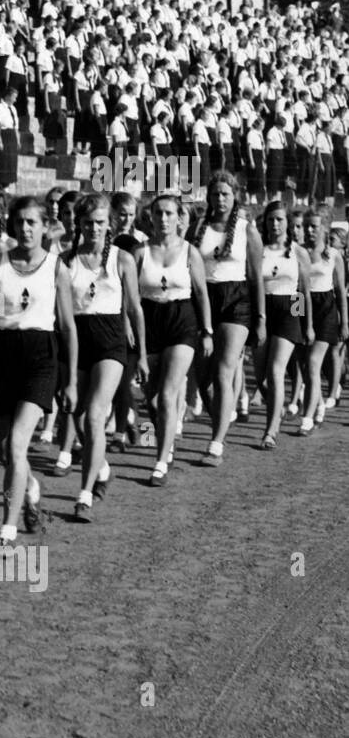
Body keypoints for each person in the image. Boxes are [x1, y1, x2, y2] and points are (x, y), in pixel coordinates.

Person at [0, 195, 79, 549]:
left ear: (43, 226)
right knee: (7, 449)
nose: (24, 228)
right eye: (19, 222)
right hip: (4, 354)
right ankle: (30, 488)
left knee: (19, 444)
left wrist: (72, 381)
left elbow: (67, 326)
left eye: (32, 222)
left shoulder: (56, 268)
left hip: (41, 356)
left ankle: (6, 530)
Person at [64, 193, 146, 521]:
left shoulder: (122, 259)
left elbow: (136, 308)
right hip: (77, 343)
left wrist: (140, 352)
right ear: (79, 224)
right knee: (78, 416)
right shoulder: (66, 260)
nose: (94, 228)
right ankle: (102, 468)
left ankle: (84, 495)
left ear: (109, 223)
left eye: (100, 222)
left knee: (96, 416)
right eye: (88, 223)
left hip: (111, 344)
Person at [135, 193, 213, 483]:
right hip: (150, 321)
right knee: (152, 401)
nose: (164, 219)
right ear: (151, 217)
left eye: (169, 213)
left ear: (179, 218)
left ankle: (160, 461)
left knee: (168, 393)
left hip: (182, 321)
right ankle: (162, 438)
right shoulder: (140, 252)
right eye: (159, 214)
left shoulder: (190, 251)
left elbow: (202, 293)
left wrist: (207, 331)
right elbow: (130, 299)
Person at [192, 173, 264, 467]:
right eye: (215, 194)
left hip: (237, 301)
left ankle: (216, 442)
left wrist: (260, 319)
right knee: (202, 377)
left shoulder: (248, 231)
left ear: (235, 196)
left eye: (225, 194)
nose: (220, 199)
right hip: (204, 298)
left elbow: (257, 278)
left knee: (224, 371)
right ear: (209, 197)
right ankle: (223, 414)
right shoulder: (198, 228)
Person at [254, 199, 312, 449]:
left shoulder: (299, 252)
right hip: (263, 311)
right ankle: (276, 406)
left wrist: (303, 323)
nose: (275, 224)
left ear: (287, 223)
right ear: (265, 223)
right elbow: (252, 284)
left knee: (276, 371)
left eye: (279, 219)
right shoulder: (258, 249)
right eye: (270, 219)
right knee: (261, 378)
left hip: (288, 311)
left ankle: (271, 431)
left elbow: (302, 292)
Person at [298, 206, 348, 432]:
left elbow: (340, 291)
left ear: (324, 228)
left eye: (314, 226)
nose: (309, 231)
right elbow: (296, 289)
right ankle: (317, 405)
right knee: (304, 363)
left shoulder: (333, 255)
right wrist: (295, 319)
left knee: (314, 363)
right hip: (300, 305)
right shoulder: (298, 251)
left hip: (326, 307)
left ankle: (307, 418)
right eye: (306, 226)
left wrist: (344, 322)